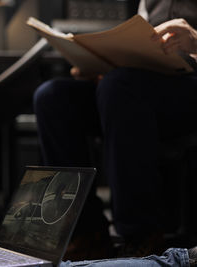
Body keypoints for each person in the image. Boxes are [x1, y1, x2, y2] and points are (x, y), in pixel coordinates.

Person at [33, 0, 197, 260]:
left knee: (119, 88)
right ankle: (86, 234)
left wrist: (195, 40)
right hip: (145, 85)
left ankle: (141, 236)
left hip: (188, 86)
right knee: (53, 97)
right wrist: (100, 64)